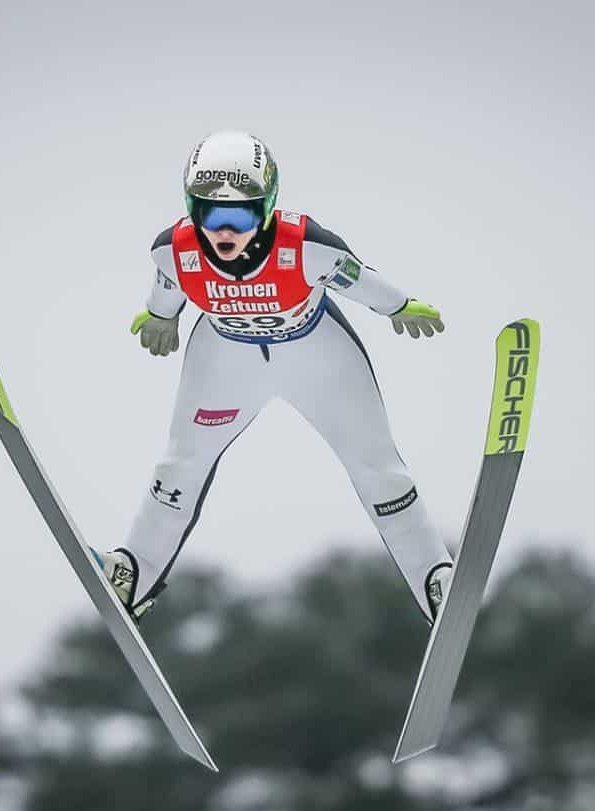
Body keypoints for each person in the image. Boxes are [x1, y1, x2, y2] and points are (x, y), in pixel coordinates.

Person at [93, 131, 453, 625]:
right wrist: (160, 318)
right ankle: (133, 573)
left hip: (318, 357)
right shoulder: (172, 251)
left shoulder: (307, 246)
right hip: (226, 360)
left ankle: (436, 577)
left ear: (267, 207)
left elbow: (357, 278)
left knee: (379, 468)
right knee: (180, 464)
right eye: (207, 213)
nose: (223, 230)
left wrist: (398, 306)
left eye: (240, 215)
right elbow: (166, 288)